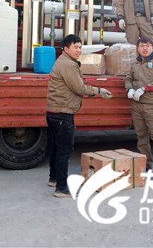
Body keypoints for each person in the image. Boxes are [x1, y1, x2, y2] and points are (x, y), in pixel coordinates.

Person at [46, 34, 113, 197]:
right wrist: (98, 90)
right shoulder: (68, 64)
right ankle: (61, 188)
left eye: (80, 47)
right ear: (66, 49)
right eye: (75, 47)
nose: (78, 50)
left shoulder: (64, 61)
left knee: (56, 148)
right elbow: (79, 88)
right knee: (64, 151)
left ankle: (54, 179)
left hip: (54, 112)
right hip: (63, 113)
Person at [125, 36, 153, 179]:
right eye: (142, 46)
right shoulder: (135, 64)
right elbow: (128, 78)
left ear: (152, 47)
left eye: (147, 46)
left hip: (152, 105)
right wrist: (129, 89)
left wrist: (145, 88)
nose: (145, 48)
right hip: (137, 106)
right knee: (141, 137)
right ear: (138, 48)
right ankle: (146, 166)